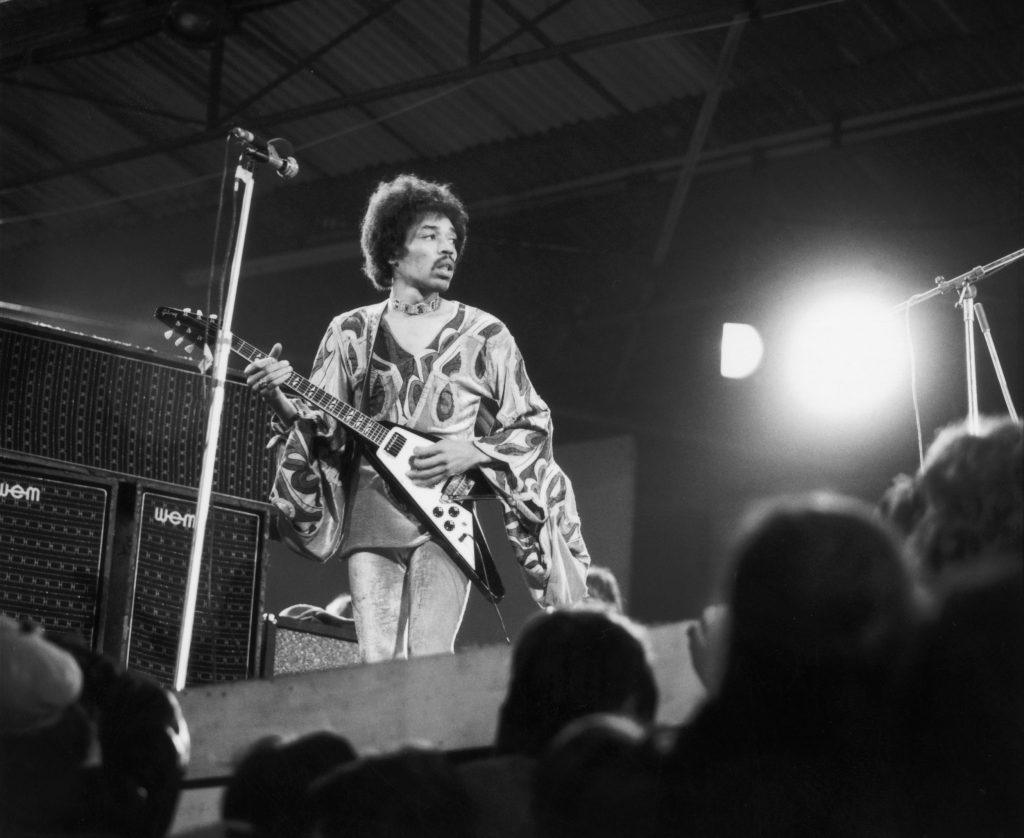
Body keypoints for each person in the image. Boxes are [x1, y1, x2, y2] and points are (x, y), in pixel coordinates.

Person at [246, 173, 590, 662]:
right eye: (430, 235)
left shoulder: (486, 334)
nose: (447, 249)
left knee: (430, 659)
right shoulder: (349, 331)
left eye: (452, 239)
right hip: (372, 517)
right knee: (376, 661)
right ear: (391, 250)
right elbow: (321, 428)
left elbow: (533, 424)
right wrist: (279, 399)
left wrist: (470, 450)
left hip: (446, 520)